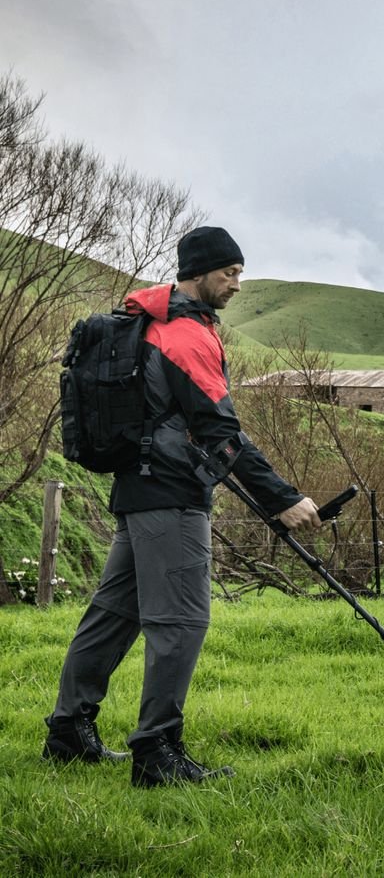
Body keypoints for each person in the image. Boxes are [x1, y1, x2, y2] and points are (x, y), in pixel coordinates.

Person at [43, 225, 322, 787]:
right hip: (170, 495)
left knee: (114, 615)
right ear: (197, 273)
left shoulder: (154, 321)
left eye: (240, 272)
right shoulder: (184, 334)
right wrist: (282, 500)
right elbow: (219, 431)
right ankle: (156, 752)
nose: (237, 284)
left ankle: (69, 733)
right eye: (228, 273)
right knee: (182, 622)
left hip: (141, 489)